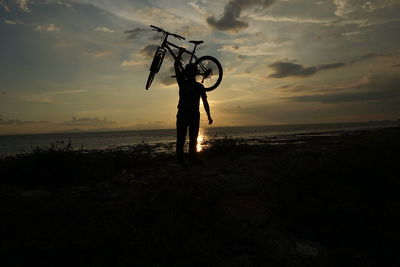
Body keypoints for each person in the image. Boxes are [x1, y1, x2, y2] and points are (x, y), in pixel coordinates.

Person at [174, 48, 213, 165]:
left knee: (191, 139)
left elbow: (205, 102)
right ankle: (182, 161)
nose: (190, 74)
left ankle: (191, 159)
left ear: (195, 73)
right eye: (189, 72)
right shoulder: (183, 82)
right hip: (183, 114)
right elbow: (176, 67)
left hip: (192, 115)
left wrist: (209, 116)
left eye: (192, 72)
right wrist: (180, 54)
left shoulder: (198, 86)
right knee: (182, 139)